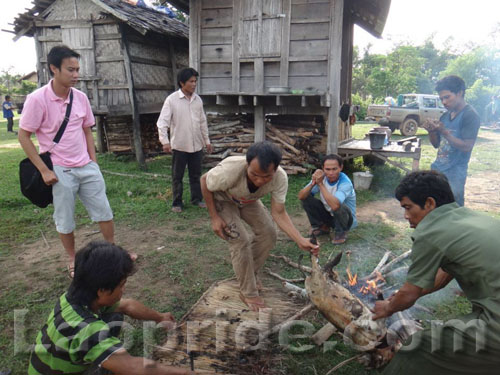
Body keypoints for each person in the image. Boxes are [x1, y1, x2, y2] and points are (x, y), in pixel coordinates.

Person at [372, 171, 500, 375]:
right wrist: (409, 294)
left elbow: (409, 294)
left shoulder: (430, 232)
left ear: (430, 203)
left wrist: (387, 307)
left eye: (408, 207)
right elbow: (445, 273)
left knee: (419, 346)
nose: (405, 215)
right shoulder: (468, 217)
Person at [28, 241, 196, 375]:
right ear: (102, 291)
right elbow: (132, 368)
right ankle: (104, 362)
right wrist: (186, 373)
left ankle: (104, 358)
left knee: (115, 317)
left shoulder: (73, 298)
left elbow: (127, 305)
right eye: (121, 285)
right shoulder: (88, 329)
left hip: (50, 362)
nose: (123, 291)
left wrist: (160, 317)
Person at [18, 45, 115, 277]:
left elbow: (86, 130)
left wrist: (93, 162)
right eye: (70, 70)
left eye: (77, 69)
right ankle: (72, 259)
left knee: (104, 211)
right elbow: (23, 136)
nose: (75, 75)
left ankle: (113, 251)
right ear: (54, 68)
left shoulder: (80, 98)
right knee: (65, 218)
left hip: (86, 166)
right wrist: (43, 171)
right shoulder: (37, 99)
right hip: (59, 169)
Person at [201, 141, 319, 311]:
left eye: (266, 176)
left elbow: (279, 213)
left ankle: (249, 273)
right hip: (223, 199)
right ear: (247, 164)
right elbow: (204, 181)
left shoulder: (280, 178)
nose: (259, 181)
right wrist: (214, 217)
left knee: (269, 233)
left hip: (248, 201)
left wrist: (300, 240)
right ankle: (248, 292)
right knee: (240, 240)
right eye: (254, 174)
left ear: (276, 169)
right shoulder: (230, 171)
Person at [157, 68, 212, 213]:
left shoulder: (197, 100)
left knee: (196, 174)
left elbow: (202, 122)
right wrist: (165, 141)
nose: (194, 84)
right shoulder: (172, 100)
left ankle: (197, 199)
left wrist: (207, 141)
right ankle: (177, 202)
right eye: (191, 81)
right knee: (177, 175)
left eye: (195, 81)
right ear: (182, 83)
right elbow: (162, 122)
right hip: (180, 145)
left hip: (197, 145)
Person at [421, 75, 480, 206]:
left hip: (455, 174)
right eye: (441, 98)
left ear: (460, 93)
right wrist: (431, 131)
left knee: (453, 210)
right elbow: (437, 145)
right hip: (438, 170)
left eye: (447, 97)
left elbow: (466, 146)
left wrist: (444, 132)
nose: (444, 102)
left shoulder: (470, 115)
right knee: (435, 207)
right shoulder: (445, 116)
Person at [297, 154, 357, 245]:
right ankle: (322, 227)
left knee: (337, 205)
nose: (331, 173)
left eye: (334, 169)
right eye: (327, 169)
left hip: (346, 220)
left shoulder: (345, 182)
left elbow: (335, 205)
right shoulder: (322, 177)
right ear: (323, 168)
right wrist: (313, 183)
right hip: (331, 216)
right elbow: (301, 196)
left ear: (341, 168)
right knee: (306, 198)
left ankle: (341, 233)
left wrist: (320, 184)